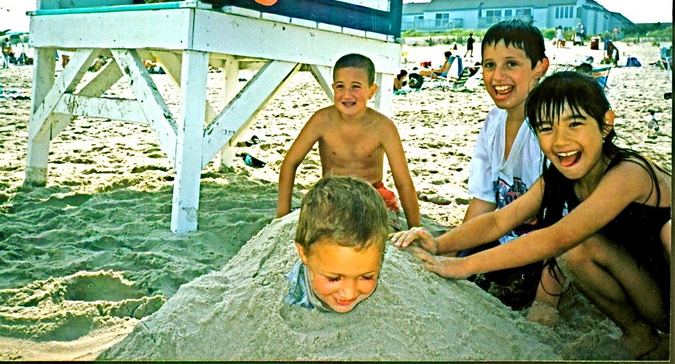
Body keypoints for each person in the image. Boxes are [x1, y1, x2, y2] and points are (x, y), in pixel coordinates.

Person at [391, 70, 671, 360]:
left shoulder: (629, 173)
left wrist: (462, 267)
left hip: (666, 294)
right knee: (579, 251)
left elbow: (556, 238)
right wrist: (440, 245)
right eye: (546, 128)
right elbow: (501, 220)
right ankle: (640, 334)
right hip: (647, 294)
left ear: (605, 124)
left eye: (574, 124)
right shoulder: (560, 178)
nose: (560, 141)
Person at [410, 19, 554, 313]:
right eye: (489, 65)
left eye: (511, 64)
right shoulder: (493, 122)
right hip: (501, 240)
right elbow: (482, 204)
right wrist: (445, 252)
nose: (497, 76)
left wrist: (545, 305)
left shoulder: (551, 126)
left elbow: (562, 229)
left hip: (546, 251)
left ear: (540, 67)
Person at [277, 53, 421, 230]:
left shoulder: (383, 127)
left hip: (371, 195)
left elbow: (403, 182)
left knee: (371, 230)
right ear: (333, 88)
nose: (347, 94)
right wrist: (281, 217)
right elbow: (290, 163)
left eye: (356, 87)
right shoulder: (321, 120)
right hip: (332, 194)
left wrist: (415, 228)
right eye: (340, 86)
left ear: (371, 90)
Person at [284, 175, 389, 313]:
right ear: (304, 253)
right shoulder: (293, 295)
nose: (349, 293)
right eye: (334, 279)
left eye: (366, 277)